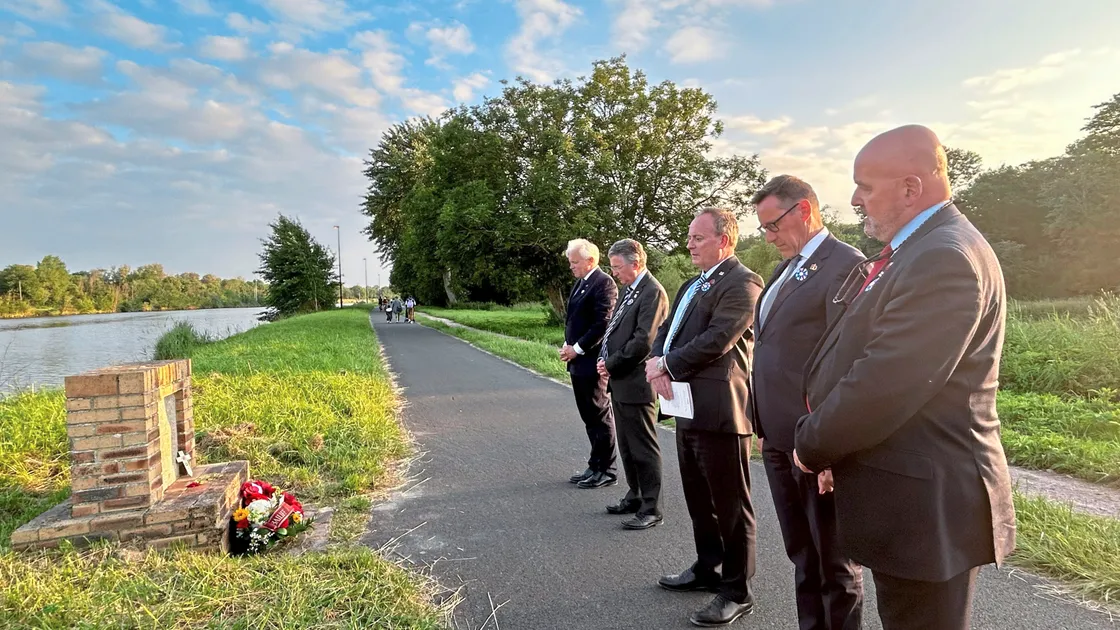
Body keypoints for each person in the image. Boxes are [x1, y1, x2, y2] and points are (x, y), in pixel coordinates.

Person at [793, 125, 1016, 630]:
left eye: (865, 186)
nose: (854, 199)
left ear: (912, 188)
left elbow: (884, 383)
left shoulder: (943, 256)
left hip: (929, 504)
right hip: (911, 495)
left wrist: (813, 445)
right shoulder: (917, 250)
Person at [748, 175, 865, 630]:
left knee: (835, 562)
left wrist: (832, 447)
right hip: (780, 436)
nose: (768, 236)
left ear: (803, 210)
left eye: (773, 225)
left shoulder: (844, 265)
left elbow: (848, 361)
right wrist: (762, 424)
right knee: (802, 552)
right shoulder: (787, 267)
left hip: (816, 442)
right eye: (763, 228)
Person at [646, 207, 764, 627]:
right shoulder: (691, 285)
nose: (690, 244)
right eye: (690, 237)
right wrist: (657, 359)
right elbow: (666, 331)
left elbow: (718, 339)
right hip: (686, 407)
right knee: (699, 499)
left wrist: (666, 366)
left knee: (731, 505)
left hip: (720, 411)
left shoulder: (743, 283)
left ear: (724, 240)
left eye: (698, 237)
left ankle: (737, 590)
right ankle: (707, 569)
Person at [596, 239, 669, 530]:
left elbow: (643, 341)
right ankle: (635, 494)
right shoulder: (630, 290)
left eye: (617, 267)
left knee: (643, 446)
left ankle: (652, 507)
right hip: (621, 381)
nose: (614, 273)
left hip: (637, 381)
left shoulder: (652, 292)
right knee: (626, 444)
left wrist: (611, 363)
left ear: (635, 263)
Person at [561, 238, 620, 489]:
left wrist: (577, 348)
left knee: (599, 414)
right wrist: (568, 345)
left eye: (575, 262)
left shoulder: (604, 283)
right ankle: (595, 464)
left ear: (590, 261)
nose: (571, 266)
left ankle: (607, 469)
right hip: (578, 362)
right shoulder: (581, 282)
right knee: (588, 416)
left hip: (592, 362)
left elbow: (602, 323)